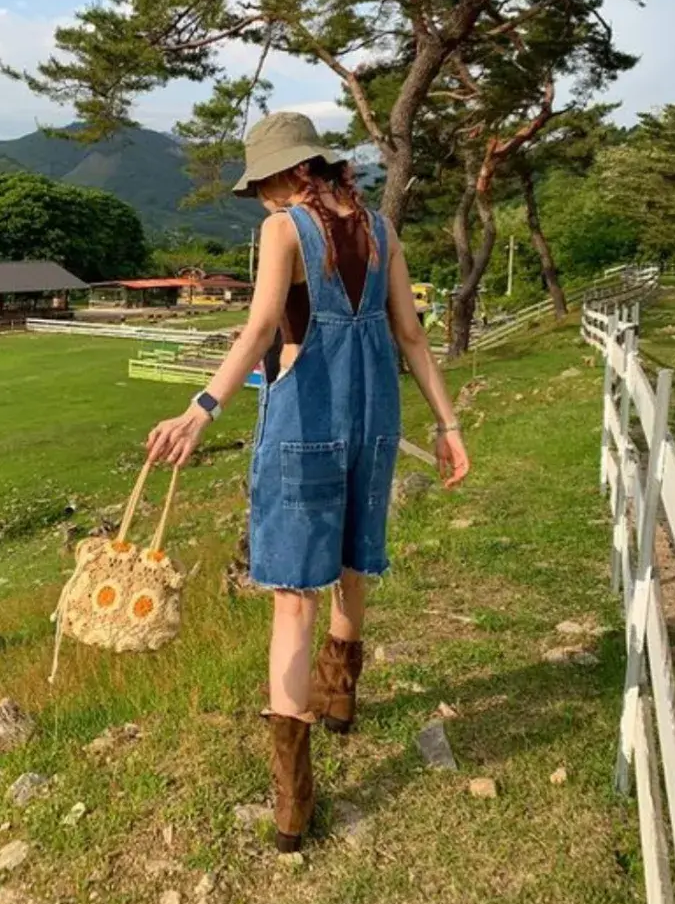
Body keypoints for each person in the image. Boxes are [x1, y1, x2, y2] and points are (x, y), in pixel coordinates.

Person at [146, 112, 469, 853]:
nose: (260, 198)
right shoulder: (384, 230)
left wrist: (202, 408)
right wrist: (449, 428)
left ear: (293, 174)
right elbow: (411, 335)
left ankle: (294, 802)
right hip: (375, 420)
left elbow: (261, 328)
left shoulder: (284, 230)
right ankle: (341, 697)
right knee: (356, 559)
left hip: (306, 422)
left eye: (262, 183)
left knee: (292, 597)